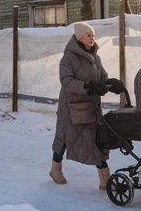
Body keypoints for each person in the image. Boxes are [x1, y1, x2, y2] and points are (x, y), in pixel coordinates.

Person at [50, 22, 125, 190]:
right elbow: (66, 81)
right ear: (79, 38)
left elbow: (102, 77)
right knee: (63, 138)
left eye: (93, 35)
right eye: (88, 35)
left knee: (96, 140)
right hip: (71, 107)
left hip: (91, 107)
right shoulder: (68, 58)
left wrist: (110, 83)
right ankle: (55, 170)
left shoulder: (94, 56)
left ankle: (105, 180)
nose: (92, 38)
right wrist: (88, 86)